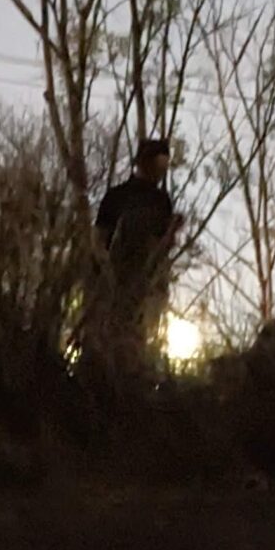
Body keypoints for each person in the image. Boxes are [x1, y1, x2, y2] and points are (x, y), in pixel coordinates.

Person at [90, 136, 179, 379]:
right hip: (114, 280)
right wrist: (105, 267)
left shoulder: (162, 201)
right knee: (111, 334)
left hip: (146, 283)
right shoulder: (117, 196)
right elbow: (99, 237)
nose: (160, 173)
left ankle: (134, 378)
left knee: (138, 337)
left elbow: (164, 246)